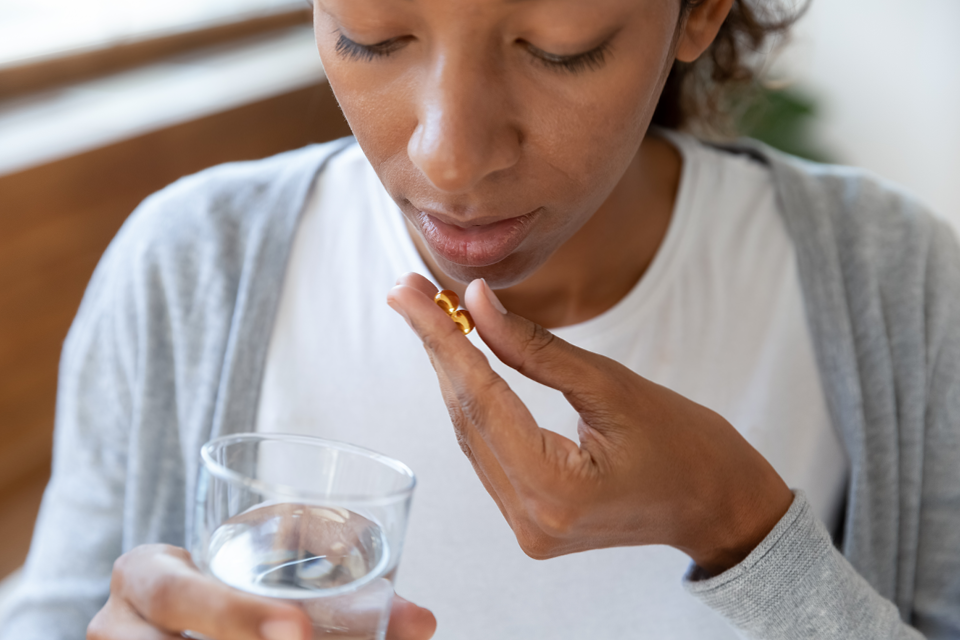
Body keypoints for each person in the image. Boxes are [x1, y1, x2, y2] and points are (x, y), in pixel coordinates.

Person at [1, 0, 958, 638]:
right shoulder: (188, 267)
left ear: (699, 9)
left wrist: (738, 523)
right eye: (372, 33)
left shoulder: (896, 289)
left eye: (560, 46)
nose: (451, 157)